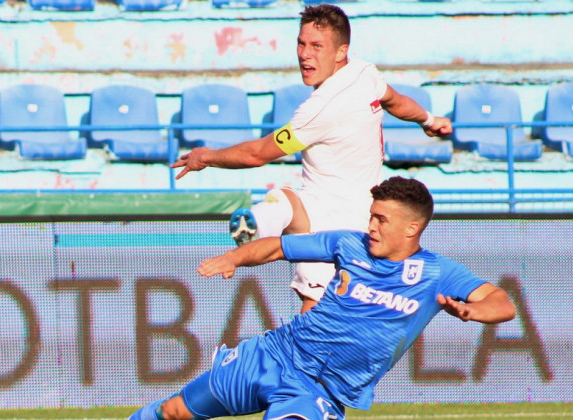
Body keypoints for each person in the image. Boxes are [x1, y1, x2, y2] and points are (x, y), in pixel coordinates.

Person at [129, 176, 516, 420]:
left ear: (412, 227)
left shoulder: (437, 273)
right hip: (272, 355)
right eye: (371, 216)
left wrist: (471, 310)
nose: (371, 226)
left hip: (318, 390)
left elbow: (503, 302)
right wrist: (234, 257)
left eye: (382, 219)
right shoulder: (349, 244)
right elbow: (278, 247)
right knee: (174, 411)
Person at [171, 4, 454, 313]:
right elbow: (396, 102)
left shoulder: (319, 110)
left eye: (317, 46)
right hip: (338, 208)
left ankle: (260, 227)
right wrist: (428, 119)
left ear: (340, 51)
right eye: (301, 43)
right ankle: (256, 226)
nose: (305, 54)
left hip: (337, 226)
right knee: (283, 199)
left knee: (316, 318)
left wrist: (206, 157)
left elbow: (257, 154)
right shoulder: (363, 73)